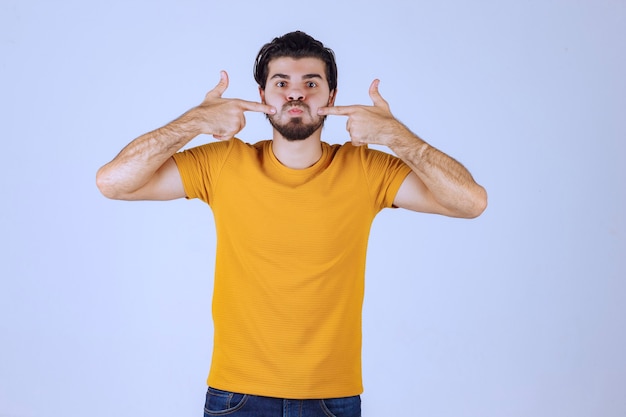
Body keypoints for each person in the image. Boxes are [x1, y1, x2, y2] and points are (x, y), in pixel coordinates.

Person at [96, 31, 487, 417]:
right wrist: (193, 122)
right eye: (281, 82)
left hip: (332, 399)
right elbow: (113, 182)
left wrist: (395, 135)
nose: (295, 94)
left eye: (310, 83)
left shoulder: (365, 169)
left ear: (331, 97)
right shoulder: (223, 163)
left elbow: (470, 202)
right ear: (262, 95)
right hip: (237, 395)